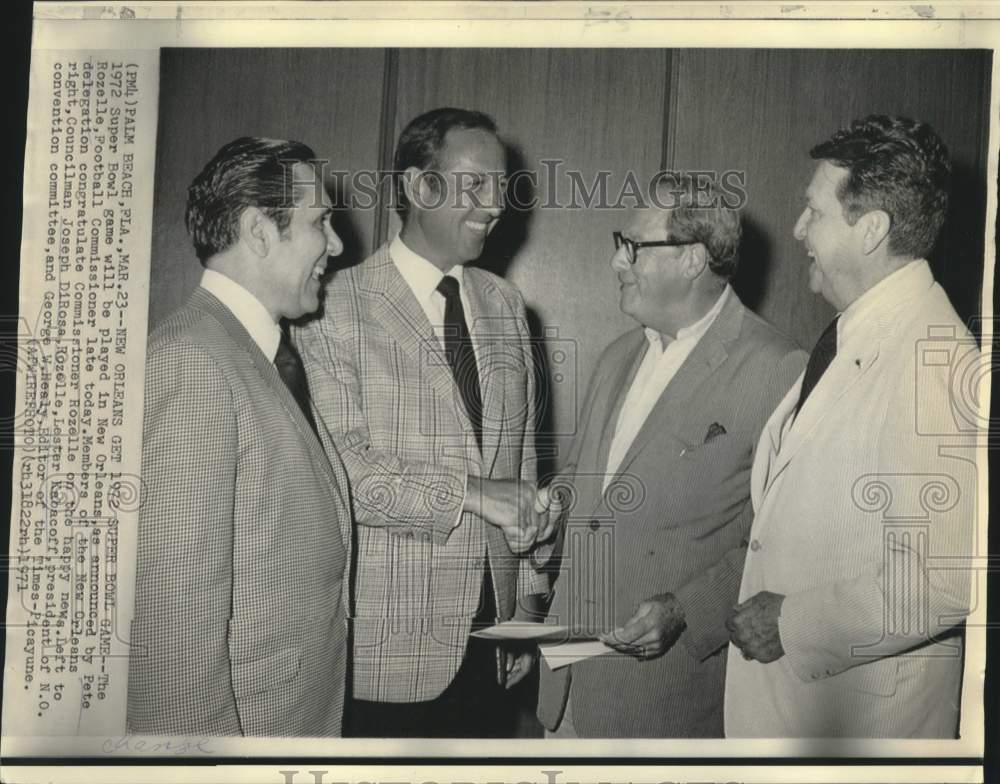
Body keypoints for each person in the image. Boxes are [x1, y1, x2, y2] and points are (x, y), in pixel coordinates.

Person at [295, 107, 557, 738]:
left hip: (493, 643)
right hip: (388, 654)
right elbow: (346, 474)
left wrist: (525, 605)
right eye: (476, 185)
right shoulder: (331, 307)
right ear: (417, 187)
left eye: (501, 187)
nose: (495, 204)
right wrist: (473, 495)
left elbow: (519, 466)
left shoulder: (504, 304)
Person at [725, 115, 979, 738]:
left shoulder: (933, 356)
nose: (797, 230)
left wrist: (793, 625)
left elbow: (948, 577)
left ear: (870, 230)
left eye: (814, 212)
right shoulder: (859, 331)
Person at [535, 173, 807, 738]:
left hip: (662, 705)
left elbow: (780, 542)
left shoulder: (778, 368)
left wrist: (686, 608)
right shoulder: (617, 356)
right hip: (565, 692)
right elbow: (589, 491)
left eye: (632, 246)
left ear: (692, 259)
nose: (616, 261)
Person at [126, 137, 352, 736]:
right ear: (259, 230)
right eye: (320, 222)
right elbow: (174, 623)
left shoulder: (261, 353)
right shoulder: (192, 361)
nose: (337, 245)